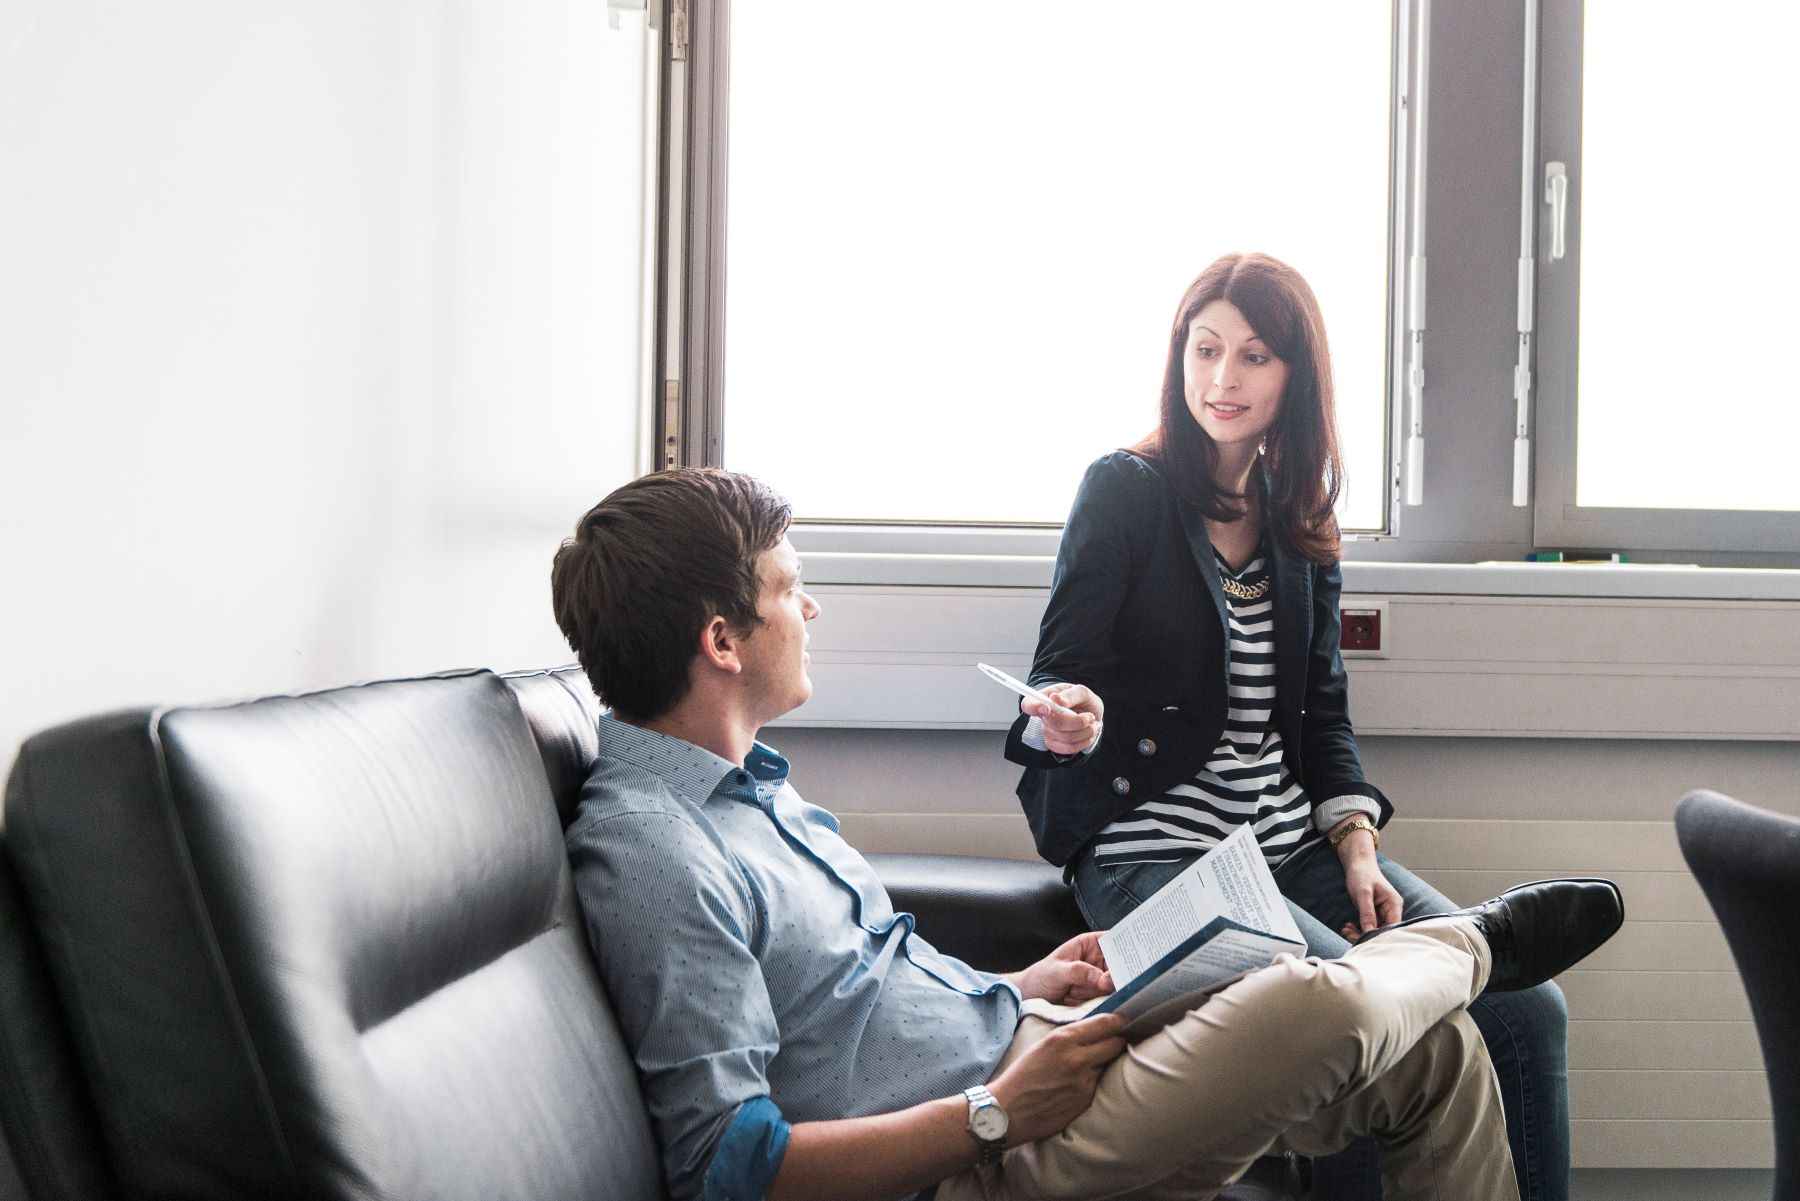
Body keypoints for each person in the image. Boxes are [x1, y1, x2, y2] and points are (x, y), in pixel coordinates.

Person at [552, 466, 1623, 1201]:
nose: (813, 610)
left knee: (1435, 1050)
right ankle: (1476, 946)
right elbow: (723, 1164)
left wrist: (1016, 985)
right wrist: (990, 1115)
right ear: (722, 639)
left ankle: (1452, 971)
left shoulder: (757, 792)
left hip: (1023, 1052)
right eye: (792, 588)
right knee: (1315, 991)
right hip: (996, 1151)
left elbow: (847, 997)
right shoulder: (656, 851)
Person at [1002, 252, 1573, 1201]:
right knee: (1369, 1024)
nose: (1221, 380)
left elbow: (1322, 716)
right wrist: (1069, 718)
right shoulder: (1124, 491)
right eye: (1205, 349)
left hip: (1286, 843)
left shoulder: (1299, 515)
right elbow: (1057, 676)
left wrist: (1355, 842)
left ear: (1295, 376)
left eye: (1254, 357)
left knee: (1527, 1007)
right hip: (1155, 849)